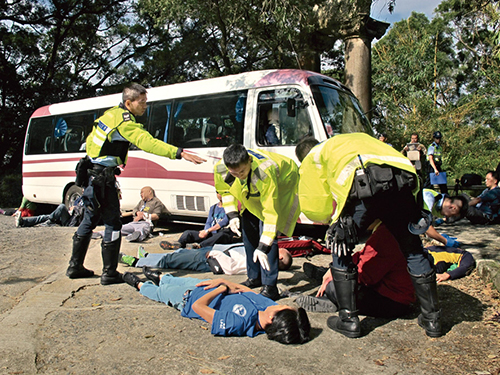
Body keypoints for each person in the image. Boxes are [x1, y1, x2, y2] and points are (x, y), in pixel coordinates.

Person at [295, 134, 442, 338]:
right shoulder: (355, 140)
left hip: (366, 186)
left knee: (341, 245)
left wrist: (332, 222)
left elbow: (315, 205)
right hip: (402, 185)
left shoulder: (315, 156)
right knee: (413, 250)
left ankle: (349, 320)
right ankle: (432, 320)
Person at [66, 83, 206, 286]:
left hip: (91, 176)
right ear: (128, 103)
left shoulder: (110, 115)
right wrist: (179, 152)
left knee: (89, 220)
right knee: (113, 224)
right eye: (142, 102)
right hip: (103, 180)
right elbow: (147, 142)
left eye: (146, 102)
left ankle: (74, 266)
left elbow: (91, 142)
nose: (145, 106)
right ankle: (109, 273)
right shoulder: (125, 122)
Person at [297, 222, 475, 314]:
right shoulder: (390, 228)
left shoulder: (386, 235)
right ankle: (325, 276)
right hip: (386, 286)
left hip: (392, 300)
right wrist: (335, 269)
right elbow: (364, 256)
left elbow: (366, 275)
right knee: (337, 271)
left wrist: (335, 277)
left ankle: (335, 299)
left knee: (335, 286)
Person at [122, 272, 310, 344]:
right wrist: (223, 282)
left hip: (187, 299)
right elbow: (245, 290)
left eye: (284, 308)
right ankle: (161, 277)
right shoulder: (268, 307)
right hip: (206, 287)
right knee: (173, 280)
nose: (283, 304)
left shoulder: (238, 323)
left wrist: (221, 288)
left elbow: (198, 306)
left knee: (162, 293)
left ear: (272, 320)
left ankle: (140, 285)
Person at [214, 144, 300, 300]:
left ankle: (270, 286)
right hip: (254, 193)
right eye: (234, 173)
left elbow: (270, 212)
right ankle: (254, 277)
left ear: (250, 161)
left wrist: (263, 246)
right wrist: (232, 215)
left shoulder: (264, 173)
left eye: (242, 171)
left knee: (268, 236)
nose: (238, 175)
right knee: (248, 230)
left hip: (283, 185)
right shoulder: (221, 168)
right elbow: (225, 190)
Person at [120, 243, 293, 275]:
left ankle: (136, 262)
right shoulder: (261, 255)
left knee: (172, 260)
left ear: (279, 258)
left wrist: (215, 254)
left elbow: (232, 268)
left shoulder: (259, 264)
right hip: (215, 251)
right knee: (179, 255)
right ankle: (148, 257)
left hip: (211, 259)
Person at [95, 186, 168, 242]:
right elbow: (135, 209)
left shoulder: (156, 203)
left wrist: (144, 215)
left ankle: (136, 237)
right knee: (121, 228)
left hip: (146, 223)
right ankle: (100, 234)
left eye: (142, 192)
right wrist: (137, 213)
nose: (140, 194)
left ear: (149, 192)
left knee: (142, 230)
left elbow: (156, 216)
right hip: (134, 223)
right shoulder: (142, 202)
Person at [15, 198, 84, 228]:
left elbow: (83, 211)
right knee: (43, 217)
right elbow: (73, 206)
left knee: (62, 206)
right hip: (70, 216)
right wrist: (72, 208)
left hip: (72, 221)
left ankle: (50, 220)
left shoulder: (87, 201)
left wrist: (75, 208)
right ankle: (23, 222)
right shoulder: (81, 198)